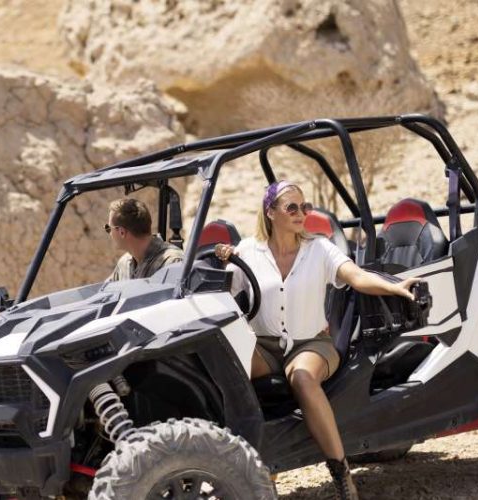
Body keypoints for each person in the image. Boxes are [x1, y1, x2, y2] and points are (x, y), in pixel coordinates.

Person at [214, 181, 420, 500]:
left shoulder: (319, 248)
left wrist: (395, 286)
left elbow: (357, 276)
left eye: (305, 207)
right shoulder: (247, 252)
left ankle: (340, 472)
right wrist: (222, 263)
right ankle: (250, 469)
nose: (302, 214)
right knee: (224, 374)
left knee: (302, 378)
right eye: (292, 208)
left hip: (311, 343)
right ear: (270, 213)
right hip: (264, 345)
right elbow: (222, 297)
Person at [106, 198, 184, 281]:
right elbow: (105, 292)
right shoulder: (124, 264)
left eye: (109, 228)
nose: (110, 233)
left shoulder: (172, 262)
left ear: (122, 232)